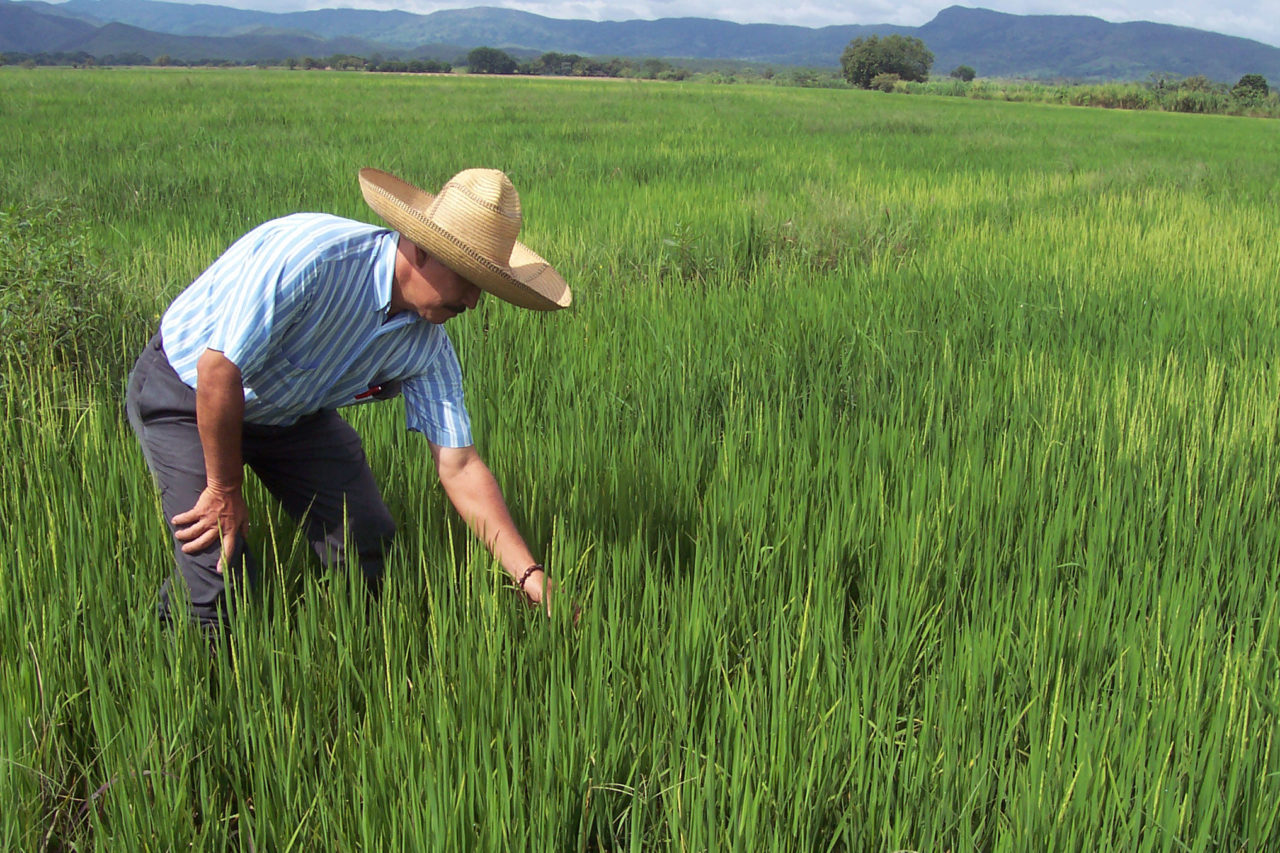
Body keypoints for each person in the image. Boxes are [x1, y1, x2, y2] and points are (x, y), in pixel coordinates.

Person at [125, 167, 571, 634]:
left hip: (290, 414)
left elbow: (459, 466)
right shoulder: (314, 260)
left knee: (364, 542)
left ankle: (351, 648)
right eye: (468, 278)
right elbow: (218, 371)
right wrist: (224, 489)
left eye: (485, 287)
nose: (474, 301)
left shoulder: (427, 348)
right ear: (421, 249)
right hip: (188, 392)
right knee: (220, 572)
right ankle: (181, 658)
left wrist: (530, 576)